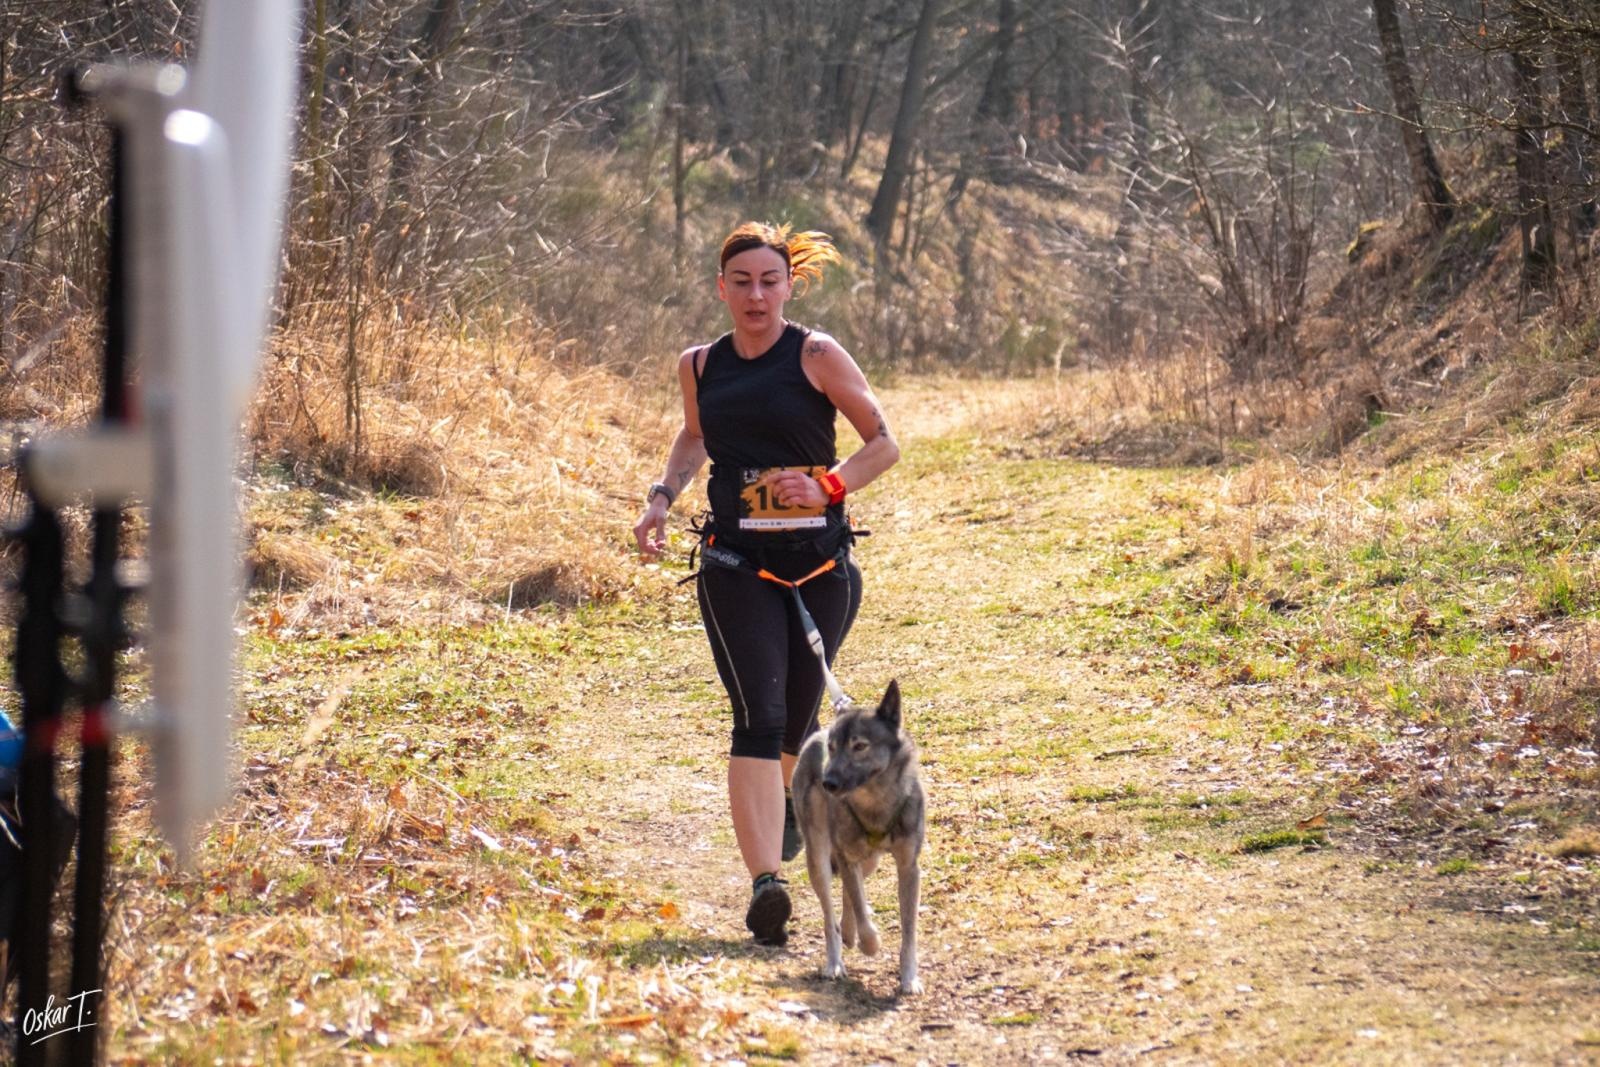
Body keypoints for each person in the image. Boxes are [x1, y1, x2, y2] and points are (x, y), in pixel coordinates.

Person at [634, 221, 899, 946]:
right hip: (734, 565)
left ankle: (791, 806)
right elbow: (695, 436)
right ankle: (765, 885)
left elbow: (885, 443)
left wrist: (833, 485)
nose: (756, 294)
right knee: (758, 711)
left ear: (789, 286)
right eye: (742, 282)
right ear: (722, 289)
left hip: (820, 567)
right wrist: (661, 496)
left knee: (795, 719)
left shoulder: (815, 353)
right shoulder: (699, 364)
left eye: (769, 281)